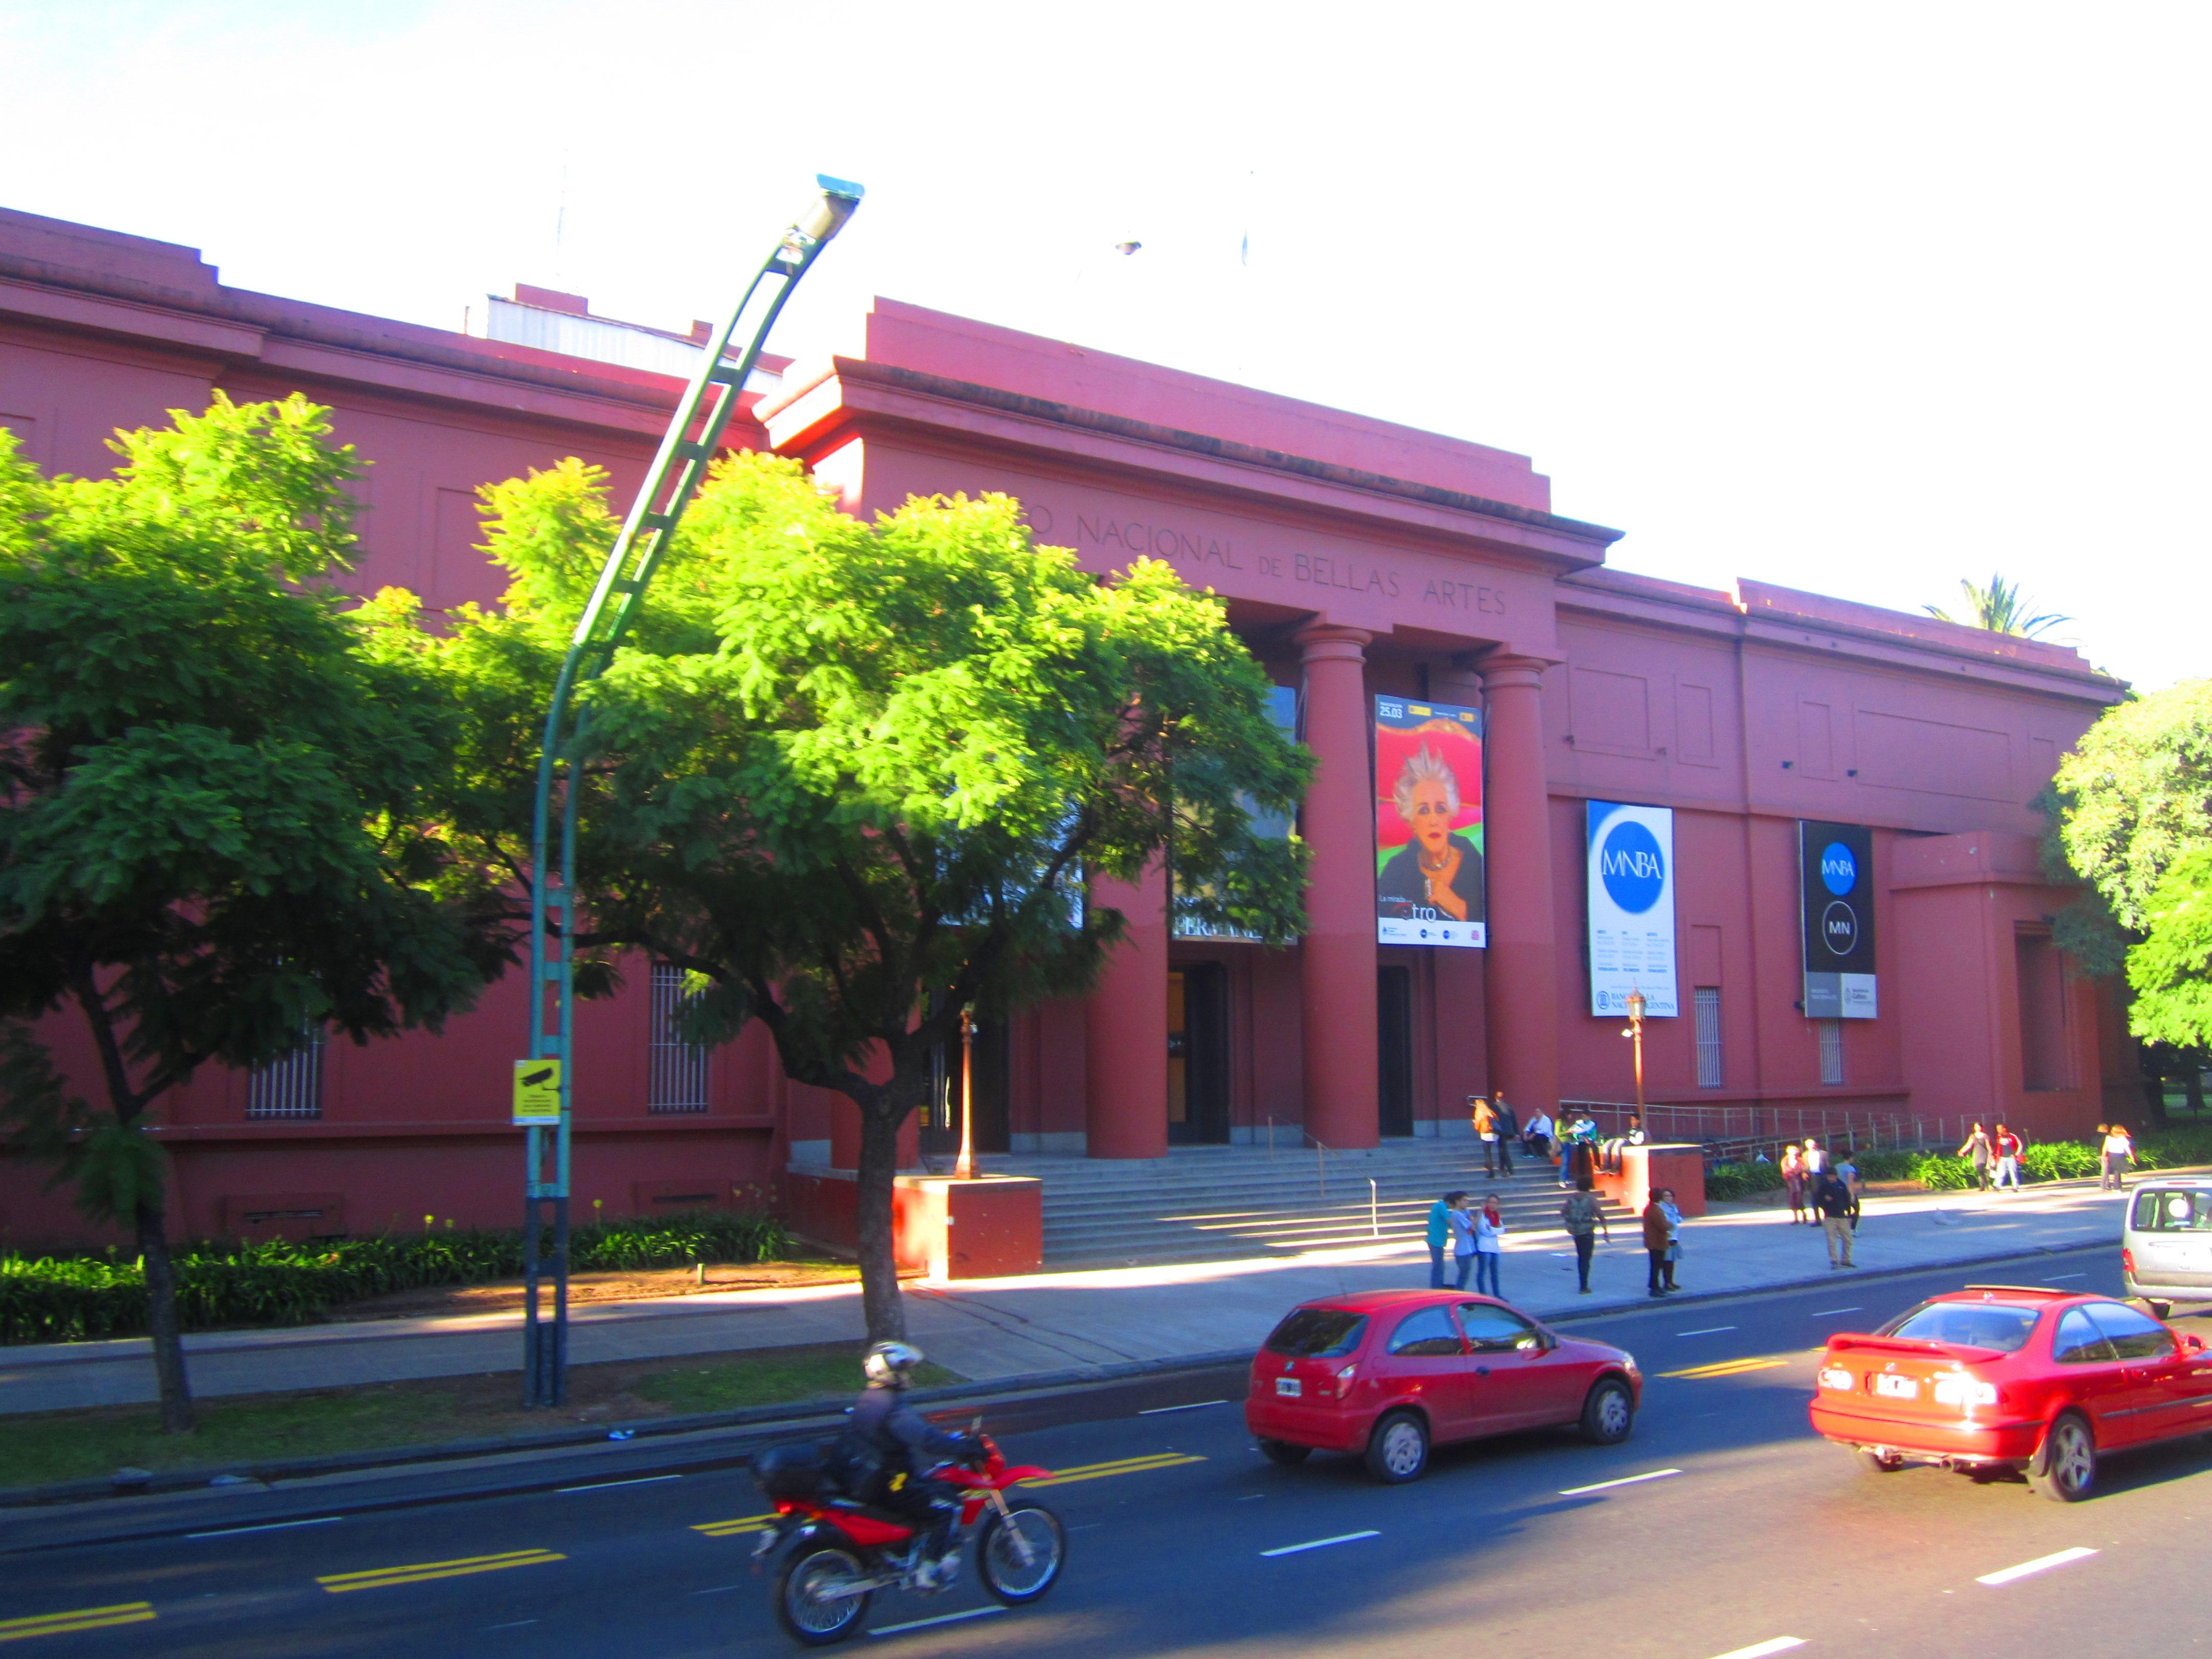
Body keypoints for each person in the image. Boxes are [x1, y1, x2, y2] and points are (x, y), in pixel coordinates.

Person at [849, 1341, 980, 1588]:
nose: (906, 1375)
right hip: (889, 1484)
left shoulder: (871, 1398)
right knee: (948, 1506)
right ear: (886, 1371)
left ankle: (902, 1552)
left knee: (927, 1485)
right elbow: (925, 1439)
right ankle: (927, 1573)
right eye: (902, 1370)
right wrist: (963, 1448)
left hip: (867, 1477)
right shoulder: (892, 1407)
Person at [1374, 744, 1485, 925]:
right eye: (1424, 810)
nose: (1434, 820)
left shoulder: (1475, 866)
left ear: (1450, 815)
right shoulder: (1396, 871)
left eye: (1441, 809)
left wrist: (1457, 906)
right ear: (1412, 821)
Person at [1560, 1174, 1611, 1294]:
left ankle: (1583, 1283)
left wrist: (1571, 1219)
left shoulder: (1571, 1198)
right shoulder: (1591, 1199)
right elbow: (1600, 1214)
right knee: (1586, 1258)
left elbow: (1563, 1212)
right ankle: (1584, 1286)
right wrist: (1605, 1230)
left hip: (1576, 1231)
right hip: (1587, 1231)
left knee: (1581, 1257)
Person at [1812, 1164, 1858, 1268]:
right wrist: (1825, 1201)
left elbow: (1847, 1200)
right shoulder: (1824, 1187)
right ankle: (1834, 1260)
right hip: (1830, 1217)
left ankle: (1846, 1260)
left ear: (1836, 1176)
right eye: (1829, 1177)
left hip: (1842, 1216)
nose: (1831, 1179)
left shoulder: (1841, 1185)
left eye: (1832, 1176)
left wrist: (1849, 1214)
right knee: (1832, 1240)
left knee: (1848, 1239)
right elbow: (1817, 1201)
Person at [1642, 1190, 1677, 1296]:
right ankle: (1654, 1288)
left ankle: (1656, 1286)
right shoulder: (1655, 1210)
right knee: (1656, 1265)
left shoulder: (1652, 1208)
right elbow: (1662, 1226)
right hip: (1657, 1242)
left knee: (1657, 1265)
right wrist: (1670, 1225)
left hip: (1654, 1241)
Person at [1473, 1192, 1505, 1298]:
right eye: (1490, 1202)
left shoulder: (1496, 1216)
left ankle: (1497, 1295)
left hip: (1495, 1247)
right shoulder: (1483, 1215)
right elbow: (1484, 1231)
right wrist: (1495, 1230)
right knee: (1482, 1272)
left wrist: (1492, 1229)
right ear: (1486, 1203)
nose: (1492, 1205)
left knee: (1495, 1273)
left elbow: (1503, 1230)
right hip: (1484, 1247)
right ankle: (1483, 1295)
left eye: (1495, 1203)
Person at [1424, 1190, 1459, 1288]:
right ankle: (1436, 1287)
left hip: (1437, 1239)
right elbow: (1450, 1221)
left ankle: (1438, 1284)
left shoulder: (1439, 1206)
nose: (1451, 1208)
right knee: (1438, 1266)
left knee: (1440, 1265)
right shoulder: (1442, 1206)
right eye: (1452, 1206)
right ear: (1449, 1202)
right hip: (1436, 1240)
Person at [1448, 1194, 1478, 1290]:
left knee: (1465, 1275)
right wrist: (1481, 1213)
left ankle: (1460, 1292)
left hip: (1468, 1249)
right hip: (1463, 1251)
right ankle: (1458, 1293)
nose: (1467, 1202)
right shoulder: (1457, 1214)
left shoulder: (1465, 1212)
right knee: (1463, 1276)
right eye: (1464, 1200)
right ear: (1458, 1202)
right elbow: (1472, 1227)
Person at [1472, 1096, 1502, 1178]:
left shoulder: (1479, 1114)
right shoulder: (1490, 1112)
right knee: (1500, 1150)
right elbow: (1497, 1120)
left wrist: (1475, 1123)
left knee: (1488, 1153)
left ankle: (1491, 1172)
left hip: (1486, 1134)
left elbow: (1477, 1127)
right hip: (1495, 1133)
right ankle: (1503, 1167)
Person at [1958, 1123, 1993, 1193]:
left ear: (1981, 1127)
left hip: (1984, 1154)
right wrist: (1962, 1151)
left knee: (1982, 1169)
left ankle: (1985, 1185)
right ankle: (1984, 1185)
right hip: (1977, 1154)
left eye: (1979, 1127)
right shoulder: (1973, 1136)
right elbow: (1969, 1145)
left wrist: (1991, 1153)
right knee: (1979, 1170)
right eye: (1976, 1127)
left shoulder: (1985, 1136)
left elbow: (1988, 1145)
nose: (1977, 1128)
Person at [2101, 1123, 2135, 1192]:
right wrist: (2104, 1155)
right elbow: (2105, 1147)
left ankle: (2117, 1186)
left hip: (2119, 1155)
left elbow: (2127, 1148)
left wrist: (2131, 1155)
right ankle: (2117, 1187)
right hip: (2113, 1155)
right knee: (2117, 1171)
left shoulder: (2122, 1138)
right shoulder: (2109, 1138)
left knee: (2118, 1171)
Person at [1492, 1095, 1519, 1175]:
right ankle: (1502, 1165)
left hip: (1500, 1130)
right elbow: (1514, 1119)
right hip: (1509, 1130)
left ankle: (1510, 1168)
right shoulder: (1508, 1107)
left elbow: (1493, 1118)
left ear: (1496, 1098)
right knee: (1502, 1147)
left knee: (1503, 1149)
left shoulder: (1494, 1106)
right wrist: (1516, 1133)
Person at [1993, 1122, 2024, 1192]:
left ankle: (2015, 1187)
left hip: (2011, 1157)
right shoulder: (1999, 1137)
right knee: (2001, 1172)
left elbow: (2020, 1145)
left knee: (2013, 1172)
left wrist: (2016, 1154)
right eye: (1997, 1129)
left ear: (2004, 1129)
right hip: (2002, 1157)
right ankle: (1997, 1186)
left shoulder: (2012, 1136)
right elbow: (1998, 1147)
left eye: (2000, 1129)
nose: (1998, 1130)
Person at [1780, 1143, 1807, 1224]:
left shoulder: (1801, 1160)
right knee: (1792, 1199)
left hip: (1799, 1182)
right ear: (1789, 1152)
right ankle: (1796, 1218)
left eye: (1796, 1151)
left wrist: (1804, 1174)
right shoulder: (1785, 1161)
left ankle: (1803, 1213)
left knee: (1799, 1199)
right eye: (1792, 1151)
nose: (1794, 1153)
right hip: (1790, 1182)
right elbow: (1784, 1172)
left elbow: (1805, 1170)